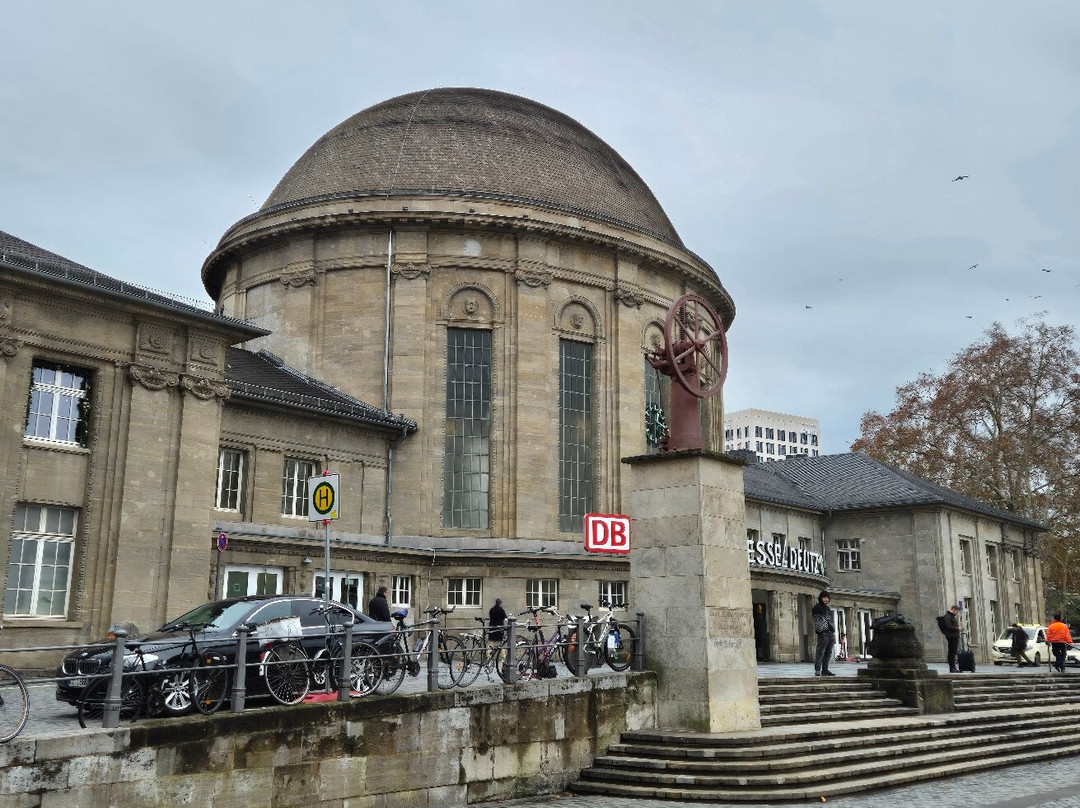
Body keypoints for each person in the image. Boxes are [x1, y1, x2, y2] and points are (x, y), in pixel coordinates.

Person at [812, 591, 836, 676]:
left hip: (830, 633)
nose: (826, 599)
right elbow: (818, 621)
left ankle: (825, 670)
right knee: (820, 652)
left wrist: (832, 631)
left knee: (828, 653)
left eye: (827, 598)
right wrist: (822, 630)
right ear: (821, 598)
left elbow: (830, 620)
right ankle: (817, 669)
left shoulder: (827, 608)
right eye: (824, 597)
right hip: (823, 633)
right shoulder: (817, 607)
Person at [940, 604, 961, 672]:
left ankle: (953, 667)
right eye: (957, 612)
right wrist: (957, 628)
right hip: (951, 636)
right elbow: (948, 626)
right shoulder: (948, 616)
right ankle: (952, 668)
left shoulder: (951, 616)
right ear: (953, 609)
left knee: (953, 652)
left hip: (954, 636)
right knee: (952, 652)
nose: (957, 613)